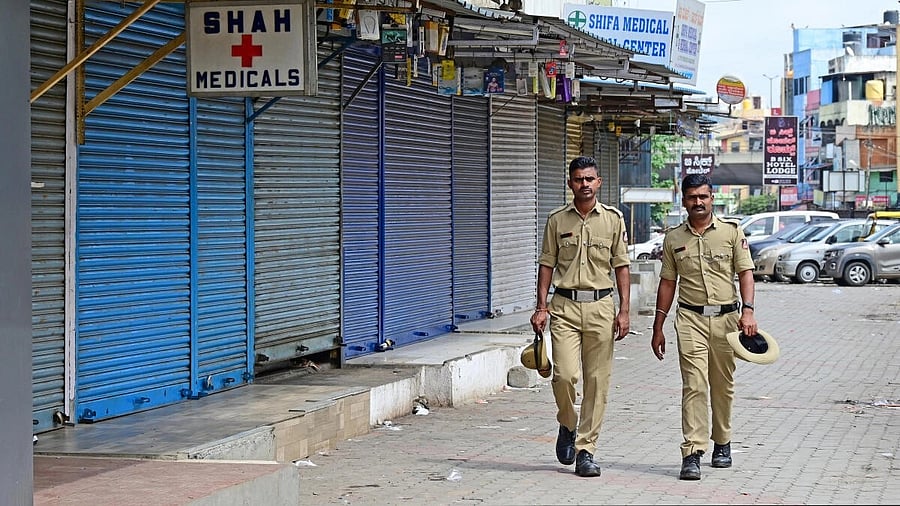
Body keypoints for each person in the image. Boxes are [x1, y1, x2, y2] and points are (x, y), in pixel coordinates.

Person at [650, 174, 758, 481]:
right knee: (694, 385)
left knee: (722, 386)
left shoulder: (731, 233)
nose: (698, 202)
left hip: (727, 320)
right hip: (690, 319)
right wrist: (658, 326)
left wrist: (748, 312)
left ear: (712, 198)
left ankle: (721, 442)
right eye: (692, 197)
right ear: (683, 200)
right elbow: (668, 282)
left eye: (703, 197)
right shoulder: (673, 239)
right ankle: (692, 452)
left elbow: (746, 274)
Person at [530, 156, 631, 478]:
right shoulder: (557, 220)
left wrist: (624, 311)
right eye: (578, 179)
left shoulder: (614, 220)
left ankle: (587, 450)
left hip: (602, 307)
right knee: (564, 376)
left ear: (598, 182)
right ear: (570, 183)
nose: (584, 184)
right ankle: (567, 423)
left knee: (597, 383)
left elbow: (621, 266)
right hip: (565, 307)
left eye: (590, 179)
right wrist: (541, 306)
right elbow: (546, 263)